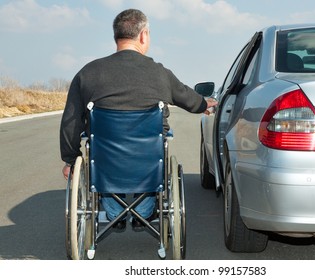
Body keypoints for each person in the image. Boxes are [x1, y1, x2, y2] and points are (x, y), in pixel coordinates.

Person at [60, 8, 217, 231]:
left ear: (116, 36)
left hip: (105, 168)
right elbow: (188, 99)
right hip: (149, 167)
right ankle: (143, 212)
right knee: (155, 153)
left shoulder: (88, 73)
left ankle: (114, 212)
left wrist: (70, 159)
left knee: (103, 158)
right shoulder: (159, 73)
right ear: (143, 35)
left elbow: (71, 122)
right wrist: (204, 104)